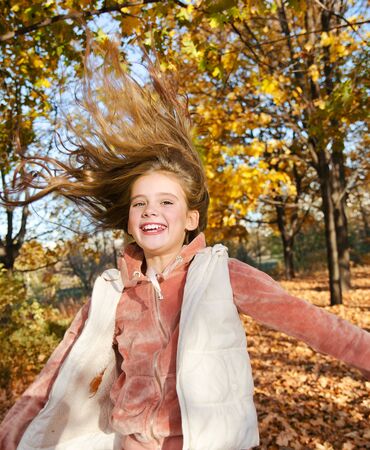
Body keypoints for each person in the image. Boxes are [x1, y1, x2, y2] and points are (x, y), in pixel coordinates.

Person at [0, 41, 369, 450]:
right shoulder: (113, 291)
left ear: (190, 219)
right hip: (133, 442)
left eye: (166, 202)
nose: (150, 211)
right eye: (140, 204)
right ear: (129, 221)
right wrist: (19, 421)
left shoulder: (220, 274)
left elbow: (309, 320)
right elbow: (61, 365)